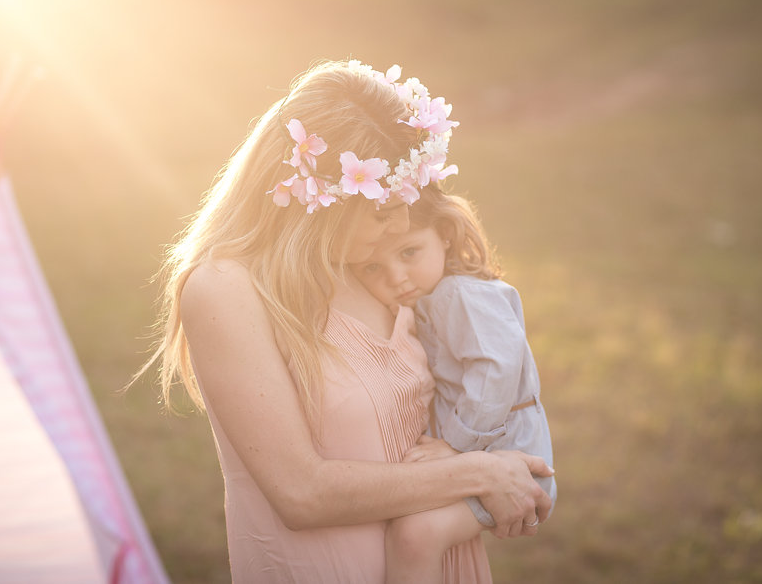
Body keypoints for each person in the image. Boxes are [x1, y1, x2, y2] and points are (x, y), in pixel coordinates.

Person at [134, 59, 553, 584]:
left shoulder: (375, 269)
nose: (401, 224)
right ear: (320, 202)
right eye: (382, 210)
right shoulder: (226, 289)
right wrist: (478, 471)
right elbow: (301, 493)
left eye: (405, 202)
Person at [349, 187, 556, 584]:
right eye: (372, 268)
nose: (397, 277)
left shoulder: (461, 293)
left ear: (445, 234)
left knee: (415, 534)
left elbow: (496, 369)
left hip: (508, 452)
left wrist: (455, 446)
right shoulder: (433, 297)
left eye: (409, 252)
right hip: (483, 449)